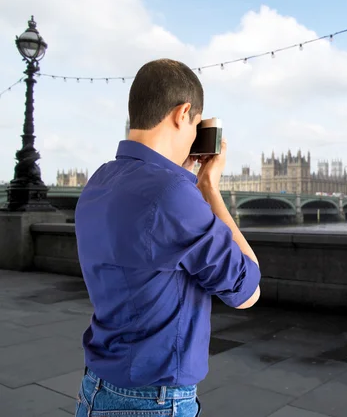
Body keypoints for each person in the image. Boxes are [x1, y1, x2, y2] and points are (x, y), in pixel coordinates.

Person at [73, 58, 261, 416]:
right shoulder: (173, 193)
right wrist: (208, 187)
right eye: (194, 126)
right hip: (153, 402)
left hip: (96, 389)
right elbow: (247, 290)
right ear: (182, 113)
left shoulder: (100, 180)